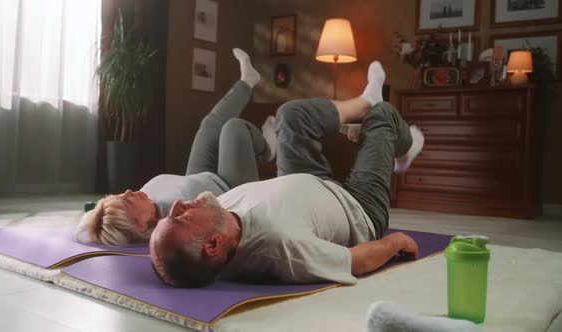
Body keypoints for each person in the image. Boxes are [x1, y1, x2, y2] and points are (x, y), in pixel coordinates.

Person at [150, 61, 425, 287]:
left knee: (290, 115)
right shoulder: (281, 247)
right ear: (212, 244)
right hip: (358, 208)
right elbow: (356, 261)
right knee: (384, 115)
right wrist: (395, 241)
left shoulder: (216, 217)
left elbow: (170, 248)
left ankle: (365, 101)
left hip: (309, 179)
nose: (177, 206)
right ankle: (402, 153)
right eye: (180, 218)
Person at [73, 48, 276, 246]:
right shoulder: (176, 219)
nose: (127, 191)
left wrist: (97, 216)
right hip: (230, 190)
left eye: (120, 195)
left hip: (199, 176)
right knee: (234, 129)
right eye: (127, 202)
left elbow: (95, 223)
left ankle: (247, 80)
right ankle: (267, 149)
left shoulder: (145, 200)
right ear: (143, 227)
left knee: (210, 124)